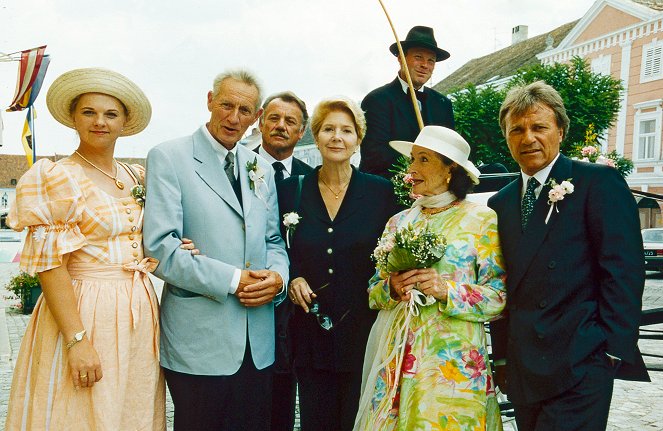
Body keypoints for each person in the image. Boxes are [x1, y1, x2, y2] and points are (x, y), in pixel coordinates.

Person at [5, 68, 170, 430]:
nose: (100, 122)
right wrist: (76, 340)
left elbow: (142, 237)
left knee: (130, 408)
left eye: (111, 114)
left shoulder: (134, 175)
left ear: (125, 122)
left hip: (138, 312)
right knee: (80, 410)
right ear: (74, 119)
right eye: (89, 113)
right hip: (84, 309)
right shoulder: (58, 177)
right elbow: (51, 265)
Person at [488, 81, 649, 430]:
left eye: (539, 127)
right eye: (517, 129)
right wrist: (501, 358)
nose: (528, 137)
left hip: (581, 363)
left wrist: (611, 352)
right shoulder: (498, 203)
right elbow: (502, 286)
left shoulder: (597, 183)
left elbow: (624, 271)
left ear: (560, 131)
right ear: (507, 137)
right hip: (523, 369)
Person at [143, 70, 289, 431]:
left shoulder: (260, 167)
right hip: (199, 344)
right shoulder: (169, 157)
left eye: (245, 110)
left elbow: (273, 240)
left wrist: (278, 279)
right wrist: (234, 280)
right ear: (210, 101)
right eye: (226, 105)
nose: (234, 117)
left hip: (257, 344)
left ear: (256, 117)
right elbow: (161, 248)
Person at [354, 125, 507, 430]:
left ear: (451, 170)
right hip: (397, 361)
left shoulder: (481, 219)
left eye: (423, 159)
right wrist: (392, 288)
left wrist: (446, 290)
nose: (411, 168)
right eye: (412, 159)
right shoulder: (398, 222)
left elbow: (499, 297)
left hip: (453, 370)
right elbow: (373, 292)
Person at [277, 97, 398, 431]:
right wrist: (293, 276)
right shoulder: (291, 191)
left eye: (346, 130)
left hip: (363, 330)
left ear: (358, 139)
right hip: (310, 330)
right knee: (316, 418)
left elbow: (393, 256)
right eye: (328, 129)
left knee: (359, 420)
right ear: (315, 137)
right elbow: (273, 246)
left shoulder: (380, 192)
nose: (337, 137)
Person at [256, 90, 313, 431]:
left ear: (302, 129)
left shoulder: (313, 178)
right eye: (274, 118)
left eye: (290, 121)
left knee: (285, 395)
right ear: (261, 120)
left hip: (296, 304)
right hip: (251, 296)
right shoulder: (236, 168)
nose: (281, 126)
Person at [359, 25, 455, 179]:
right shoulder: (376, 100)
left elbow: (451, 150)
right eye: (418, 57)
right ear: (400, 58)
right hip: (388, 189)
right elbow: (375, 157)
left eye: (431, 60)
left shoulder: (443, 104)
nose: (425, 65)